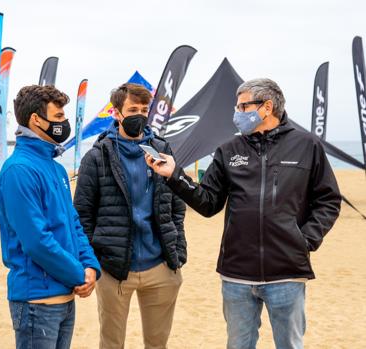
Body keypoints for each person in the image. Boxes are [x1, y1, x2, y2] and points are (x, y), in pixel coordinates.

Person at [146, 78, 341, 349]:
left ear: (267, 107)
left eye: (242, 106)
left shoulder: (307, 145)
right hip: (236, 272)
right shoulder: (228, 150)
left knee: (290, 345)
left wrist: (306, 239)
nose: (237, 113)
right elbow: (208, 202)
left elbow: (328, 199)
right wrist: (175, 175)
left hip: (287, 271)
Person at [74, 83, 187, 349]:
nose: (139, 114)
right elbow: (82, 214)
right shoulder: (97, 156)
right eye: (132, 109)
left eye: (144, 109)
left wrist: (177, 249)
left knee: (158, 344)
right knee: (111, 343)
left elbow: (177, 205)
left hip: (161, 265)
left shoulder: (162, 149)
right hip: (114, 269)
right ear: (116, 113)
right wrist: (95, 258)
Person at [0, 85, 101, 349]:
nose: (64, 124)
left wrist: (91, 268)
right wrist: (79, 274)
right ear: (36, 120)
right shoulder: (19, 170)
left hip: (65, 298)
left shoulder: (56, 169)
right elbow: (36, 241)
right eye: (58, 117)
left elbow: (73, 224)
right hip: (36, 302)